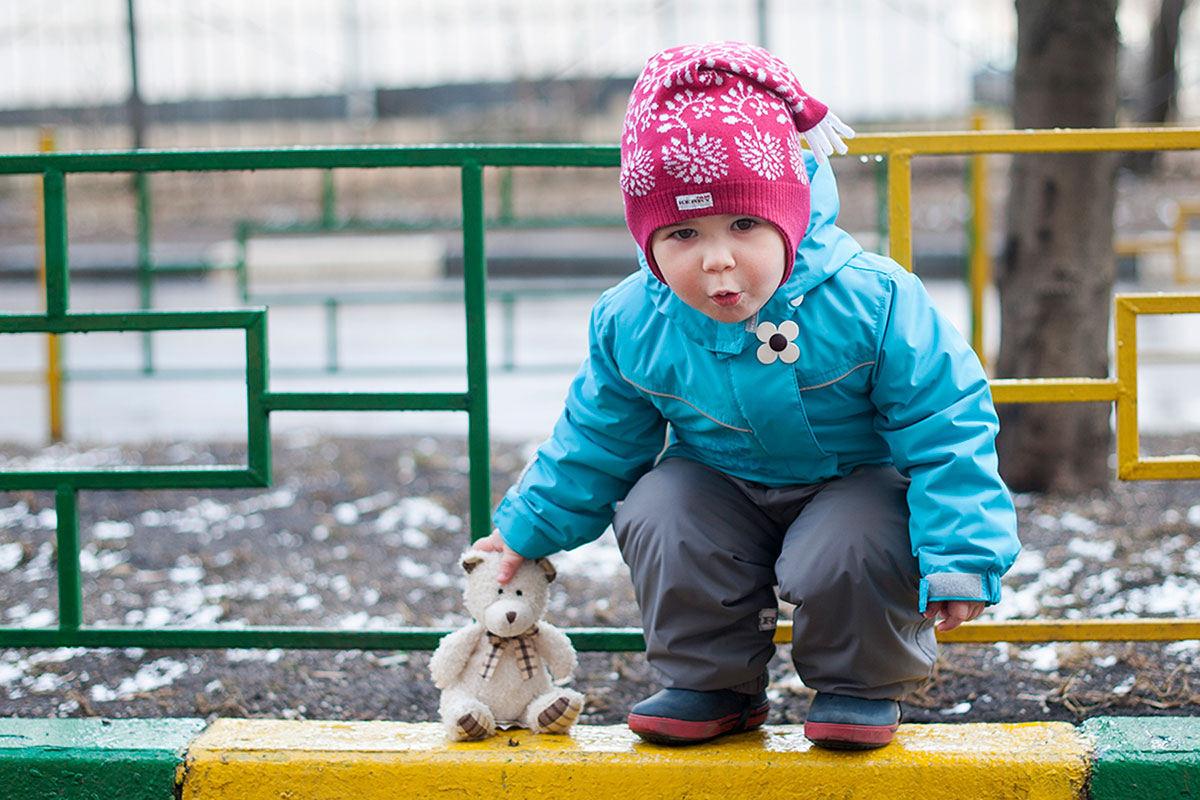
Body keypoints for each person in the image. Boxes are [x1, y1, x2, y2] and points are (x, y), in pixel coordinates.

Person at [473, 41, 1019, 750]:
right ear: (647, 242)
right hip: (723, 486)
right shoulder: (635, 319)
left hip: (853, 482)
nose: (717, 258)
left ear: (790, 215)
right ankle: (712, 683)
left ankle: (858, 684)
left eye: (744, 225)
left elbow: (946, 423)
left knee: (849, 543)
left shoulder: (872, 301)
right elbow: (597, 439)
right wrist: (524, 531)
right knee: (660, 508)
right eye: (681, 233)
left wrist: (963, 551)